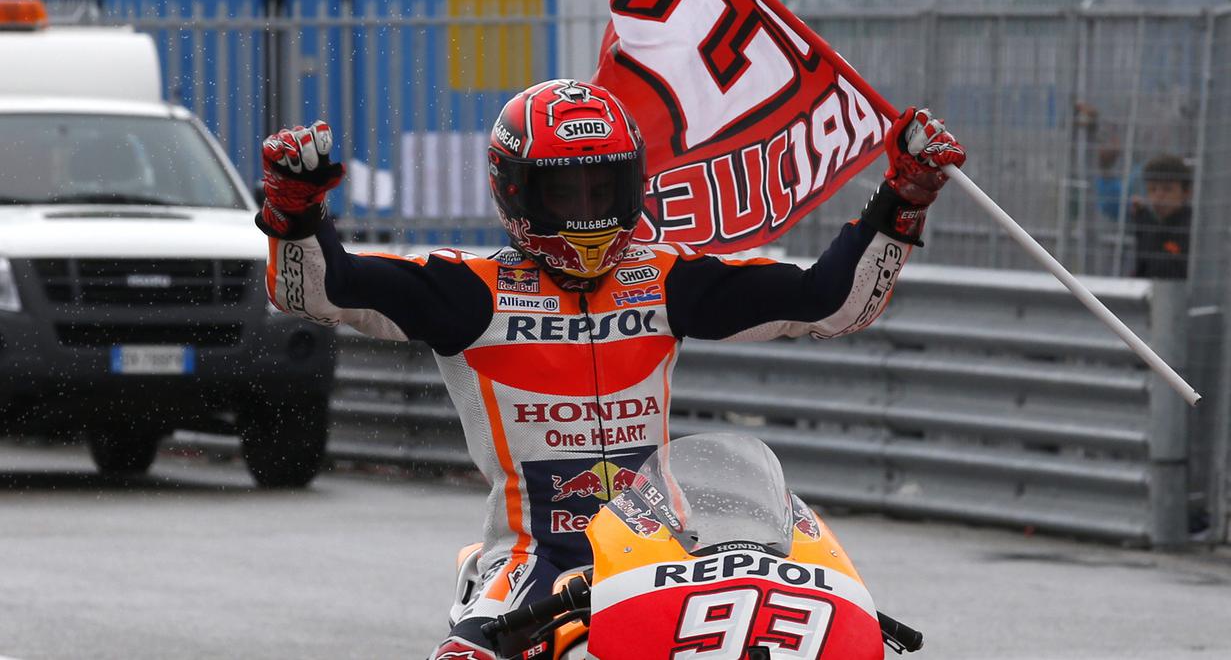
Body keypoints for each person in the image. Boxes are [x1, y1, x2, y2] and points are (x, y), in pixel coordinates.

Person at [254, 79, 965, 659]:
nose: (588, 211)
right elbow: (314, 290)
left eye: (604, 188)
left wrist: (901, 199)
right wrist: (296, 209)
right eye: (564, 192)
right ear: (516, 191)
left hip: (661, 551)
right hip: (531, 562)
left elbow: (829, 304)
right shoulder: (466, 289)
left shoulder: (666, 279)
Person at [1131, 153, 1193, 280]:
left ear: (1186, 192)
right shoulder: (1146, 223)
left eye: (1167, 189)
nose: (1159, 196)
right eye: (1153, 189)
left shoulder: (1192, 227)